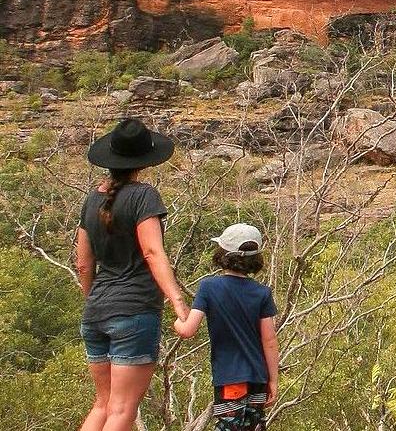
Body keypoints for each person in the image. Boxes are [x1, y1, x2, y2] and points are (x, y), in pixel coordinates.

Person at [76, 118, 189, 431]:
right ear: (143, 161)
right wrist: (177, 300)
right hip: (134, 310)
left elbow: (83, 263)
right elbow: (153, 252)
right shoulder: (144, 197)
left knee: (103, 405)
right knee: (122, 410)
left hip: (96, 311)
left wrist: (94, 300)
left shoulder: (91, 199)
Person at [173, 223, 280, 431]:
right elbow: (269, 341)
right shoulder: (262, 293)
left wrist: (177, 321)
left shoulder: (209, 287)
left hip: (230, 377)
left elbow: (188, 330)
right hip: (258, 378)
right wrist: (273, 381)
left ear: (223, 254)